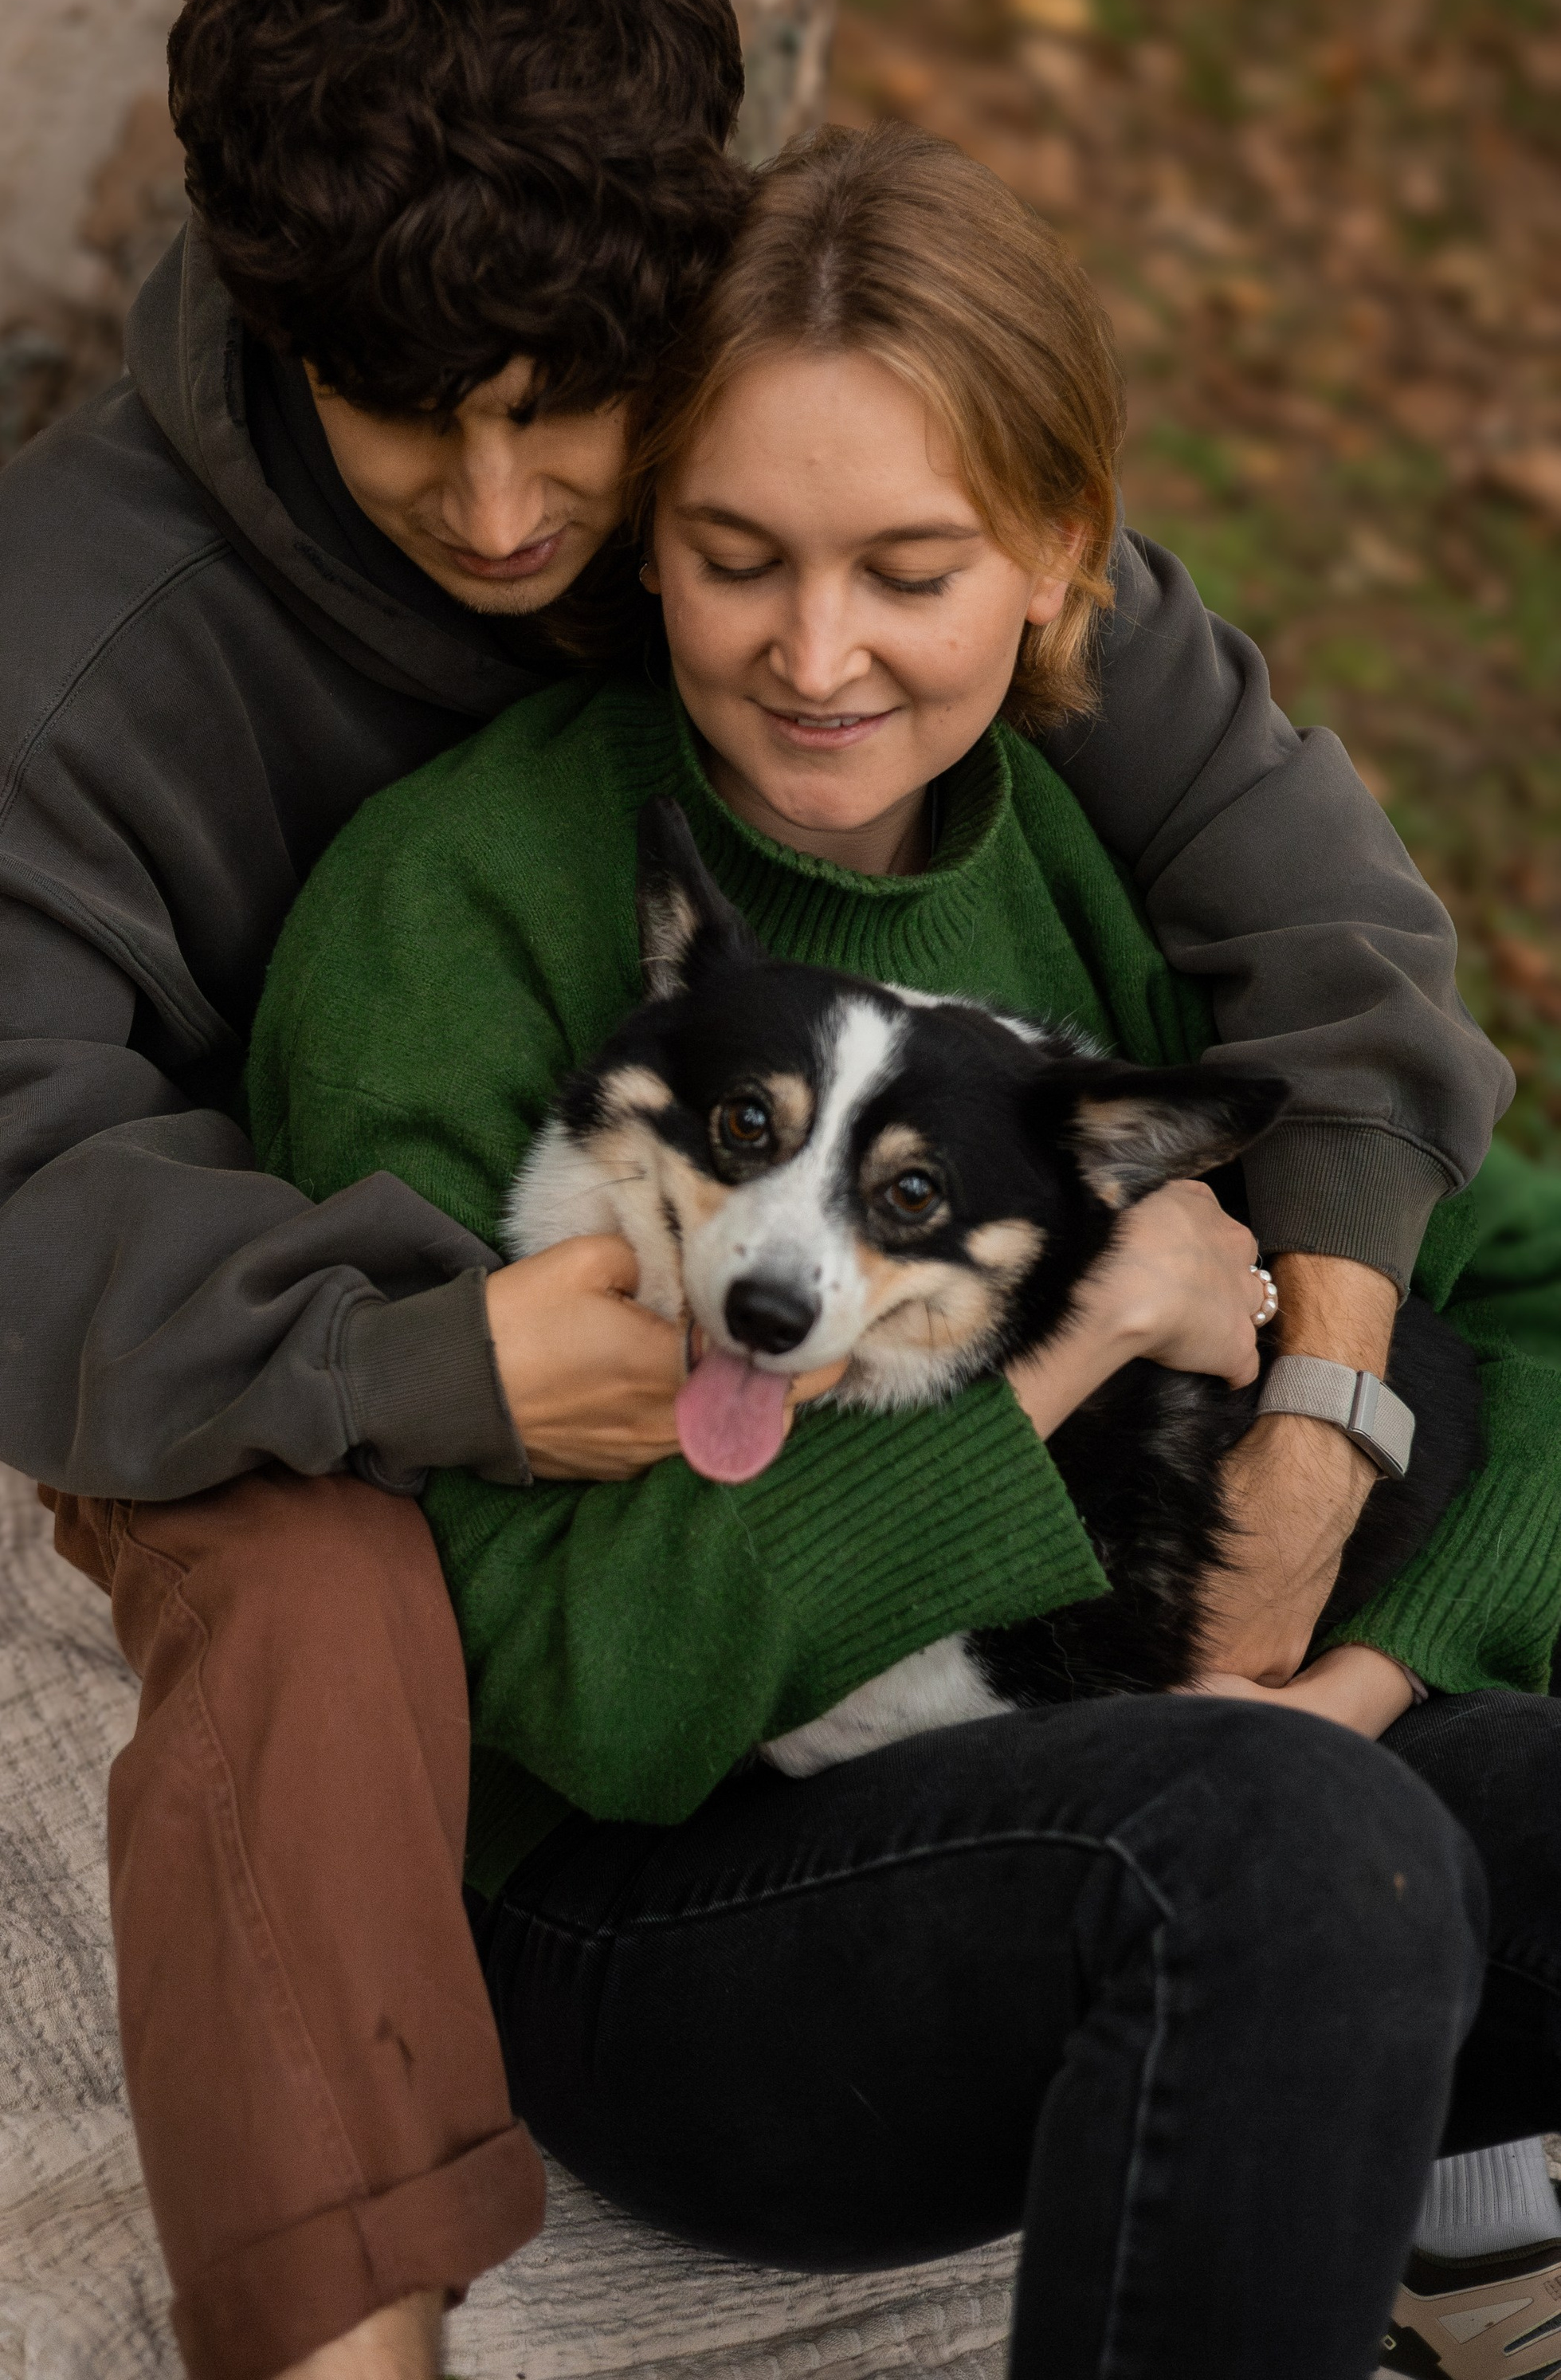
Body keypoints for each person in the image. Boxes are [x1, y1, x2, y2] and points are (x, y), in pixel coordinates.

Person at [0, 0, 1516, 2380]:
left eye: (565, 421)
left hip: (746, 1252)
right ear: (281, 328)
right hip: (252, 1295)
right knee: (318, 1590)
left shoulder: (797, 448)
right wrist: (425, 1360)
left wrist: (1324, 1392)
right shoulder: (85, 653)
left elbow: (1329, 924)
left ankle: (1460, 2179)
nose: (502, 516)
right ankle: (340, 2338)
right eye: (407, 419)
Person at [246, 121, 1561, 2380]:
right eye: (737, 556)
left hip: (1161, 1743)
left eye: (912, 570)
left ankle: (1437, 2202)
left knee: (1334, 1806)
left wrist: (1372, 1646)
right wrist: (1065, 1400)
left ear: (1062, 565)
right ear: (641, 534)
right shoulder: (452, 908)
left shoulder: (1102, 860)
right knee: (1275, 1849)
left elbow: (1518, 1275)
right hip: (673, 1923)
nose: (818, 656)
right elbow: (585, 1700)